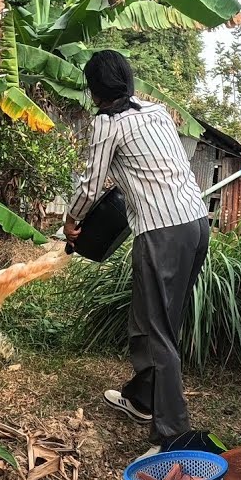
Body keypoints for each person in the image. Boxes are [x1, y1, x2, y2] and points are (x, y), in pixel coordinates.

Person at [63, 50, 211, 453]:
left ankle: (172, 434)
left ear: (94, 91)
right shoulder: (157, 112)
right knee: (154, 319)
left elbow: (92, 185)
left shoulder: (107, 124)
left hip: (161, 231)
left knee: (156, 329)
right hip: (196, 224)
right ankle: (143, 399)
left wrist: (71, 220)